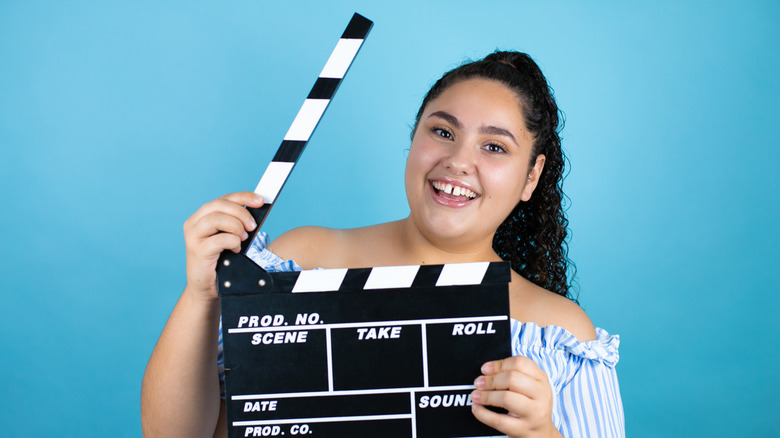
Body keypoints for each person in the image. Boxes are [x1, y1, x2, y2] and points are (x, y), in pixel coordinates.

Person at [141, 51, 624, 437]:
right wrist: (201, 295)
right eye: (442, 131)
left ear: (530, 177)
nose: (459, 161)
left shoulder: (559, 332)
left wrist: (541, 433)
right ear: (413, 140)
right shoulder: (299, 261)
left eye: (494, 147)